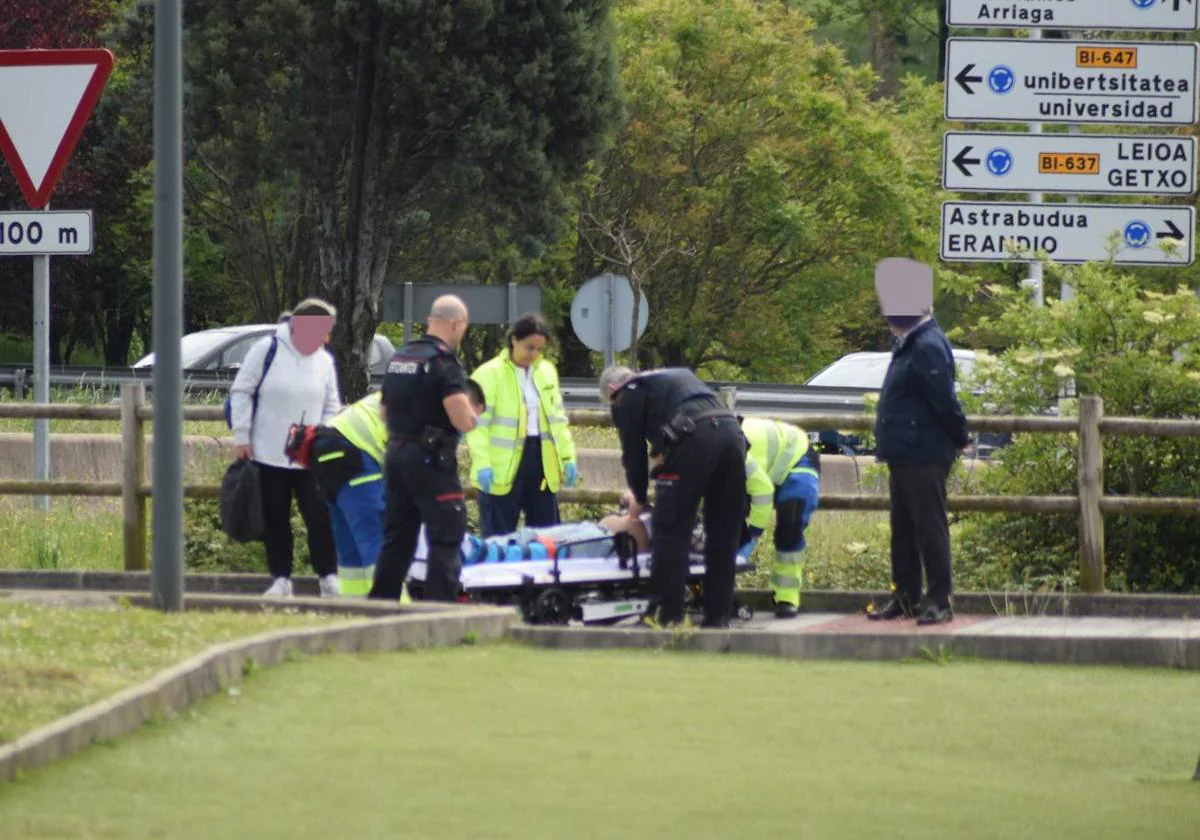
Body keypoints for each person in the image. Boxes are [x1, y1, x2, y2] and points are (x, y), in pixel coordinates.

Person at [600, 366, 746, 628]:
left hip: (693, 438)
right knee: (723, 529)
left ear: (612, 391)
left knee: (670, 528)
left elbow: (633, 454)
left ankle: (666, 616)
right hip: (732, 436)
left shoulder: (626, 395)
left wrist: (640, 497)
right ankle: (718, 615)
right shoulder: (674, 377)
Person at [868, 259, 969, 626]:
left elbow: (943, 399)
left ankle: (938, 600)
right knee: (904, 530)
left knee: (929, 527)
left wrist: (960, 437)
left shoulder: (926, 344)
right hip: (905, 450)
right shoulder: (910, 342)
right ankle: (906, 595)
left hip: (924, 450)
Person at [229, 298, 342, 598]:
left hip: (309, 457)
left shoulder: (324, 361)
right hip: (267, 452)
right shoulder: (267, 350)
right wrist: (242, 436)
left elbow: (332, 404)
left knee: (320, 517)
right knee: (276, 518)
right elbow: (241, 390)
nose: (325, 339)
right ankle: (281, 578)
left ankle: (328, 576)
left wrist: (322, 435)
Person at [369, 295, 478, 602]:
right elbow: (461, 416)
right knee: (446, 537)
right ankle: (438, 614)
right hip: (431, 461)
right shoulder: (444, 363)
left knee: (397, 539)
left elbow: (384, 412)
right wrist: (473, 419)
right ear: (456, 324)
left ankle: (380, 609)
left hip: (396, 456)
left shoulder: (401, 357)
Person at [467, 313, 578, 536]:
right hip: (501, 467)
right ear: (514, 340)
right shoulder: (489, 374)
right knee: (499, 539)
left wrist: (568, 457)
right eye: (529, 347)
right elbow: (477, 424)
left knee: (546, 537)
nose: (534, 354)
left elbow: (557, 420)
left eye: (539, 349)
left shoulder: (547, 371)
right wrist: (482, 463)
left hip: (542, 463)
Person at [739, 416, 821, 619]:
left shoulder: (739, 452)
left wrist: (753, 534)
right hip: (766, 466)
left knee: (790, 528)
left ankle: (787, 598)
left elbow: (763, 492)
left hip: (798, 458)